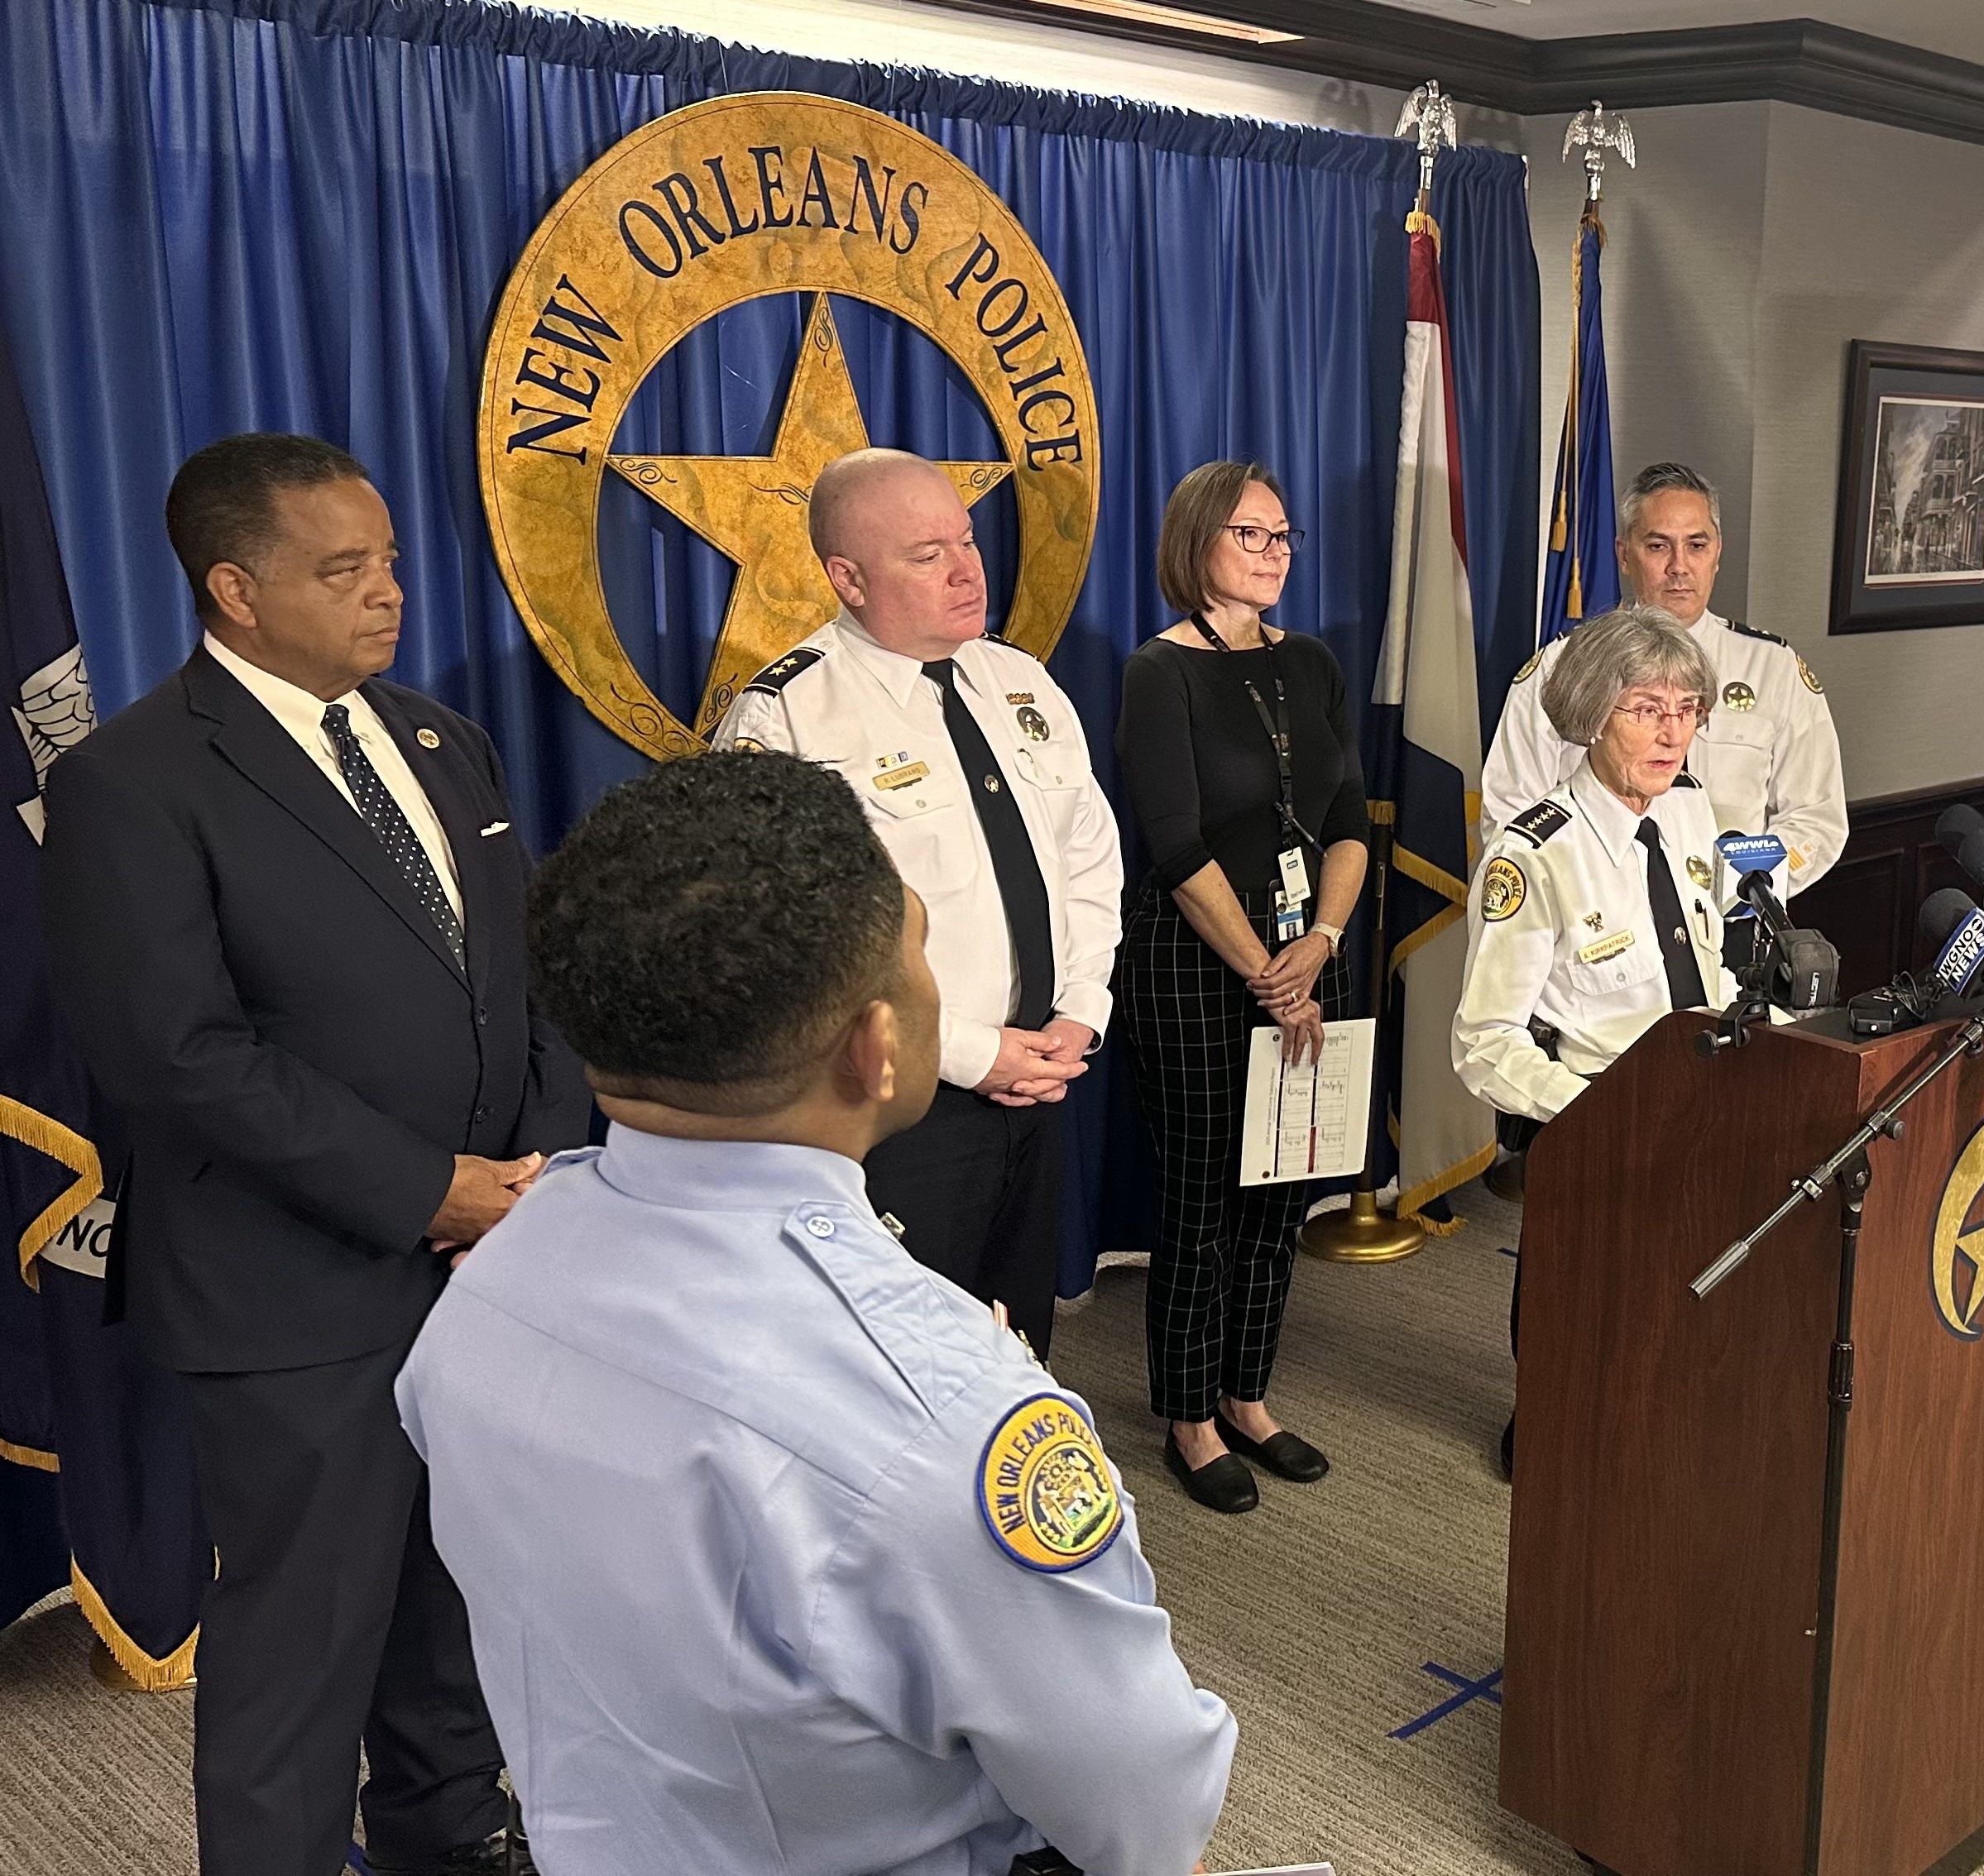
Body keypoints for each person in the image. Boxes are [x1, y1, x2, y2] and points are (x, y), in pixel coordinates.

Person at [398, 750, 1234, 1874]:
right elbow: (1144, 1807)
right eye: (924, 952)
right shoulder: (948, 1419)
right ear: (875, 1049)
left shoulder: (493, 1282)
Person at [41, 433, 584, 1876]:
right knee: (303, 1643)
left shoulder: (436, 735)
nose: (386, 592)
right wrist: (431, 1189)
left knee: (455, 1604)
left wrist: (536, 1169)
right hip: (289, 1299)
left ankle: (448, 1837)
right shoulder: (131, 781)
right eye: (343, 570)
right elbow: (179, 1059)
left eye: (389, 559)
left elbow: (522, 975)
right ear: (234, 587)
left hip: (489, 1263)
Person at [712, 447, 1124, 1357]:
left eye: (967, 541)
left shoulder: (1024, 685)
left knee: (1017, 1349)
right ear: (847, 578)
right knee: (896, 1362)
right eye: (927, 554)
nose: (968, 569)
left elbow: (1089, 863)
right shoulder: (788, 717)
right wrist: (973, 1055)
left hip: (1045, 1080)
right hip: (896, 1105)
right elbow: (790, 952)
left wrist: (1080, 1013)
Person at [1113, 461, 1363, 1514]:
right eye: (1251, 535)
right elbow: (1174, 845)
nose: (1275, 552)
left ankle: (1249, 1397)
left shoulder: (1308, 662)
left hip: (1308, 956)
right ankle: (1189, 1415)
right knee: (1204, 1200)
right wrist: (1268, 972)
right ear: (1197, 544)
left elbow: (1349, 816)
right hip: (1195, 964)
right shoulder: (1157, 673)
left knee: (1282, 1190)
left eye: (1283, 535)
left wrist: (1323, 943)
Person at [1455, 605, 1736, 1476]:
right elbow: (1484, 1041)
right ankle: (1544, 1423)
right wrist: (1601, 1115)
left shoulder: (1692, 809)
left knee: (1692, 1302)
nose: (1672, 730)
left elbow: (1714, 958)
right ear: (1589, 711)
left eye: (1687, 707)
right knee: (1576, 1319)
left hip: (1708, 1099)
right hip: (1593, 1115)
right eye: (1646, 706)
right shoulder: (1534, 853)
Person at [1479, 462, 1846, 897]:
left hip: (1733, 921)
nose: (1679, 566)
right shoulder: (1558, 670)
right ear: (1623, 555)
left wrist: (1733, 888)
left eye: (1696, 545)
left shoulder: (1774, 669)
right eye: (1657, 546)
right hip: (1598, 928)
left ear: (1718, 553)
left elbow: (1816, 817)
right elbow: (1511, 819)